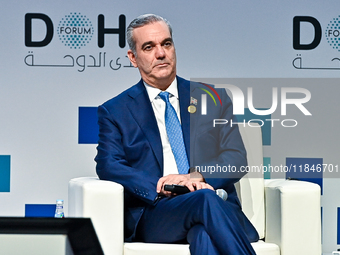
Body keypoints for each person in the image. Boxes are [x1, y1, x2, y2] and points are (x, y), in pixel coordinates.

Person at [95, 14, 259, 255]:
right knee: (204, 200)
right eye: (149, 47)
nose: (161, 53)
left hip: (214, 204)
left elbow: (235, 158)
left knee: (203, 234)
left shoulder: (213, 98)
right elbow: (108, 164)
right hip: (158, 213)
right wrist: (162, 185)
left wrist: (197, 176)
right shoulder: (115, 110)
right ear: (133, 58)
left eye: (166, 44)